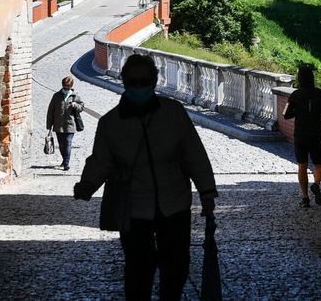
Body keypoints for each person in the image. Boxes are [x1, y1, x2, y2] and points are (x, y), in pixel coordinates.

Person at [73, 54, 218, 301]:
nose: (139, 87)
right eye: (134, 82)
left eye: (144, 81)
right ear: (125, 81)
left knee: (176, 268)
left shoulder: (173, 113)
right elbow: (101, 160)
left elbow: (193, 153)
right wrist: (87, 184)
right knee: (138, 271)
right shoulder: (111, 123)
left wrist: (207, 191)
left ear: (154, 81)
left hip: (174, 203)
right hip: (133, 208)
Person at [283, 64, 321, 208]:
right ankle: (316, 184)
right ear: (312, 78)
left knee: (302, 166)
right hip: (316, 135)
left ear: (300, 79)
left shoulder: (295, 95)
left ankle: (305, 198)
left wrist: (297, 111)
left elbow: (285, 115)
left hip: (300, 136)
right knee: (320, 165)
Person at [46, 76, 85, 171]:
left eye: (68, 86)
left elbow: (81, 108)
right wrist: (49, 125)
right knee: (61, 144)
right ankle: (64, 159)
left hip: (70, 124)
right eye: (64, 86)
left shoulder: (75, 96)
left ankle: (66, 163)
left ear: (71, 86)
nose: (66, 88)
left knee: (68, 142)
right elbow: (51, 110)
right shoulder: (56, 96)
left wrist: (75, 105)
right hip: (58, 125)